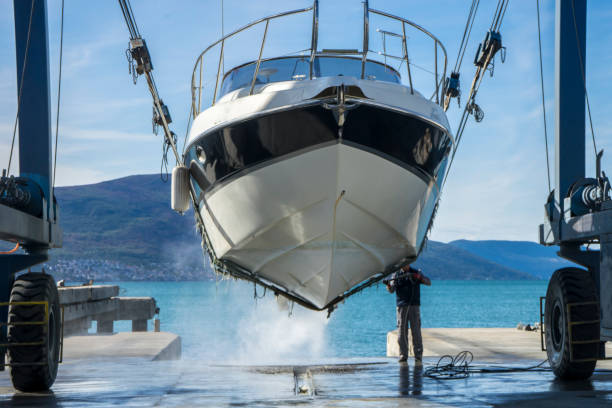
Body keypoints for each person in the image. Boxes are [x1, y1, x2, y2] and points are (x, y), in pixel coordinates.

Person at [384, 265, 431, 364]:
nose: (405, 265)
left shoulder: (416, 272)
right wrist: (388, 285)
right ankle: (403, 356)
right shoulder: (396, 275)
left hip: (414, 306)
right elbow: (391, 290)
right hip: (401, 307)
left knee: (416, 332)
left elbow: (428, 282)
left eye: (407, 263)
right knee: (402, 332)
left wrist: (420, 278)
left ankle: (418, 356)